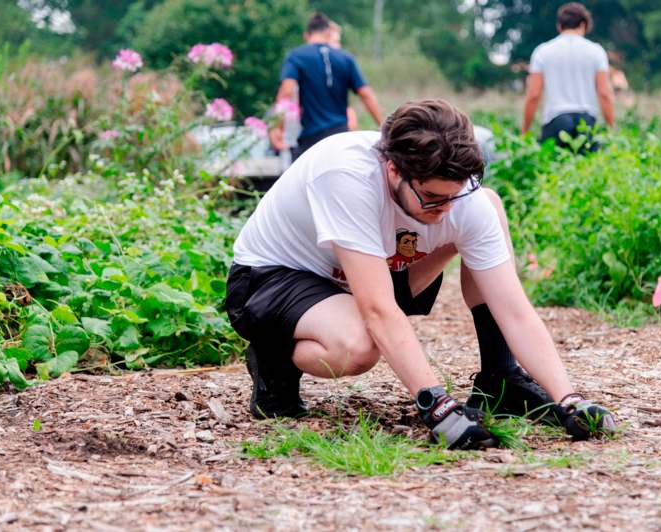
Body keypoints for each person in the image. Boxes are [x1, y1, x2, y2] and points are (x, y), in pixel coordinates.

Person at [226, 99, 616, 449]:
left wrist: (570, 400)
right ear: (393, 169)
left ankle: (502, 377)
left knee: (489, 208)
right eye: (432, 198)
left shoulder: (458, 197)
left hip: (362, 271)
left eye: (455, 194)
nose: (445, 208)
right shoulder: (345, 175)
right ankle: (273, 358)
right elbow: (378, 310)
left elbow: (515, 310)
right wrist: (437, 406)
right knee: (359, 346)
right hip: (273, 278)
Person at [269, 12, 383, 161]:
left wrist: (277, 127)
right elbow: (366, 94)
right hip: (341, 137)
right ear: (328, 32)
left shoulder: (296, 56)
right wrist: (384, 127)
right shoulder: (346, 57)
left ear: (306, 35)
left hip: (312, 139)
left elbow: (286, 92)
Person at [521, 2, 615, 149]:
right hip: (586, 124)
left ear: (559, 25)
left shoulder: (542, 51)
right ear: (584, 24)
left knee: (552, 170)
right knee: (587, 169)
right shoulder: (596, 51)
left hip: (555, 122)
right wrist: (611, 129)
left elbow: (533, 94)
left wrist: (524, 131)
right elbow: (604, 94)